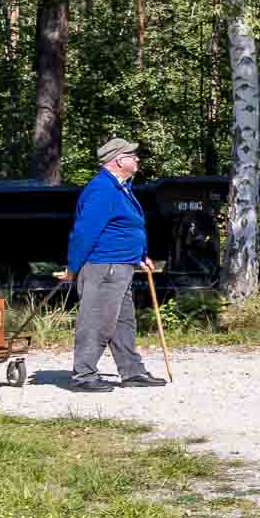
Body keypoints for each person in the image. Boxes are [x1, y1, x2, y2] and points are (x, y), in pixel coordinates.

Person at [64, 137, 164, 391]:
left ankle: (132, 372)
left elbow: (125, 225)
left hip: (121, 264)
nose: (137, 159)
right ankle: (84, 376)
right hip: (103, 266)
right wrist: (73, 267)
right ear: (120, 160)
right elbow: (85, 231)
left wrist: (141, 255)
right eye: (133, 155)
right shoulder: (102, 189)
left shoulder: (120, 187)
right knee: (97, 320)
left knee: (123, 322)